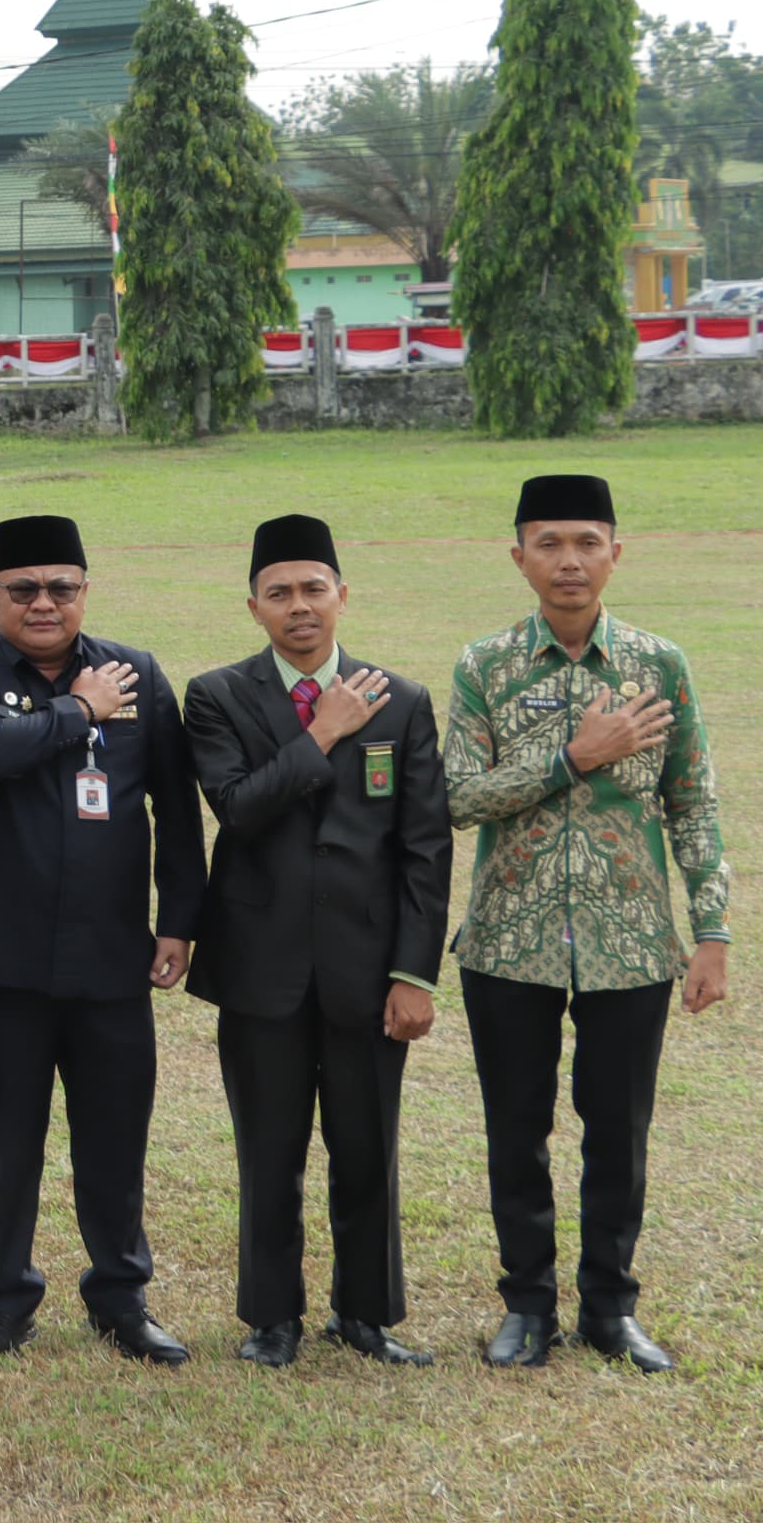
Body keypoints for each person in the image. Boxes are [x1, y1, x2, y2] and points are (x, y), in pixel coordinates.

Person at [448, 474, 730, 1374]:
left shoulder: (659, 665)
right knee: (515, 1127)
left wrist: (713, 931)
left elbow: (694, 803)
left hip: (633, 941)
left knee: (620, 1128)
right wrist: (573, 757)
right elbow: (454, 798)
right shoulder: (484, 665)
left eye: (587, 541)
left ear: (616, 551)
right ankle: (527, 1308)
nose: (569, 560)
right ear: (519, 554)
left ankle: (611, 1309)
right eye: (549, 542)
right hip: (508, 942)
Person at [0, 515, 205, 1366]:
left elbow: (176, 807)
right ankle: (6, 1301)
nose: (43, 604)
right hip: (1, 958)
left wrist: (179, 918)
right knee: (6, 1143)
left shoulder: (138, 673)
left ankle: (121, 1298)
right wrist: (76, 709)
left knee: (115, 1139)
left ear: (85, 590)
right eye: (24, 589)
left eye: (62, 588)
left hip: (111, 954)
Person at [182, 515, 452, 1370]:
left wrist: (414, 973)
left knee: (367, 1146)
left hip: (369, 973)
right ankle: (272, 1318)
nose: (299, 606)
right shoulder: (217, 696)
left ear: (342, 595)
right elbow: (238, 807)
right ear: (253, 606)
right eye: (279, 593)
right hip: (261, 969)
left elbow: (424, 847)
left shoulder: (401, 700)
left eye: (313, 588)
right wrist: (324, 731)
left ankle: (367, 1314)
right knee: (270, 1151)